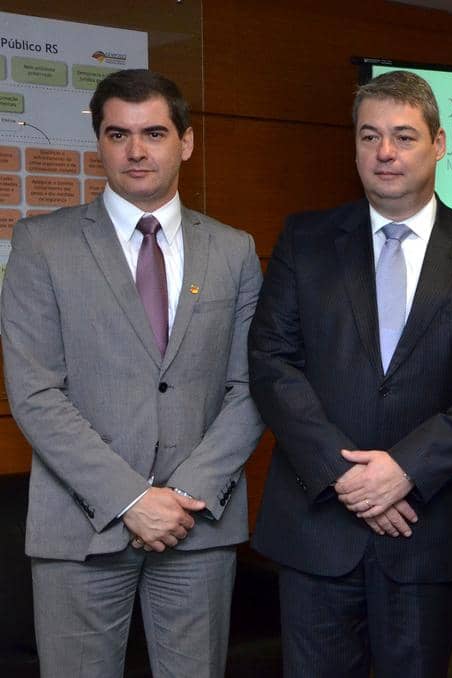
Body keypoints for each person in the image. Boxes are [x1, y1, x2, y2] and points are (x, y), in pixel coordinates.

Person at [247, 69, 452, 677]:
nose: (385, 152)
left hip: (431, 527)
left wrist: (405, 470)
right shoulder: (305, 238)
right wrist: (345, 477)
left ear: (440, 143)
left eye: (403, 135)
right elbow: (272, 363)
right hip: (317, 522)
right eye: (369, 136)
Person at [1, 69, 264, 678]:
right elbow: (36, 393)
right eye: (118, 134)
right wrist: (132, 499)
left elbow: (251, 386)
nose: (137, 150)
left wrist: (182, 498)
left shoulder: (234, 249)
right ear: (99, 142)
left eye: (154, 133)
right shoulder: (42, 244)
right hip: (79, 529)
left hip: (196, 528)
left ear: (186, 143)